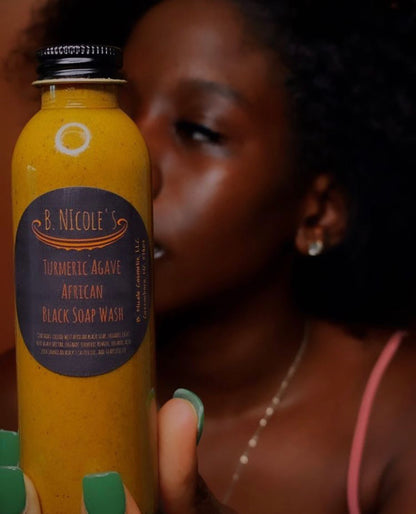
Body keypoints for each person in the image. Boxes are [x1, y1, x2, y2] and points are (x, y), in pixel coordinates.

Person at [1, 0, 416, 512]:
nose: (137, 163)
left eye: (198, 130)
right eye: (124, 111)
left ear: (319, 212)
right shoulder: (18, 399)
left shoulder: (400, 418)